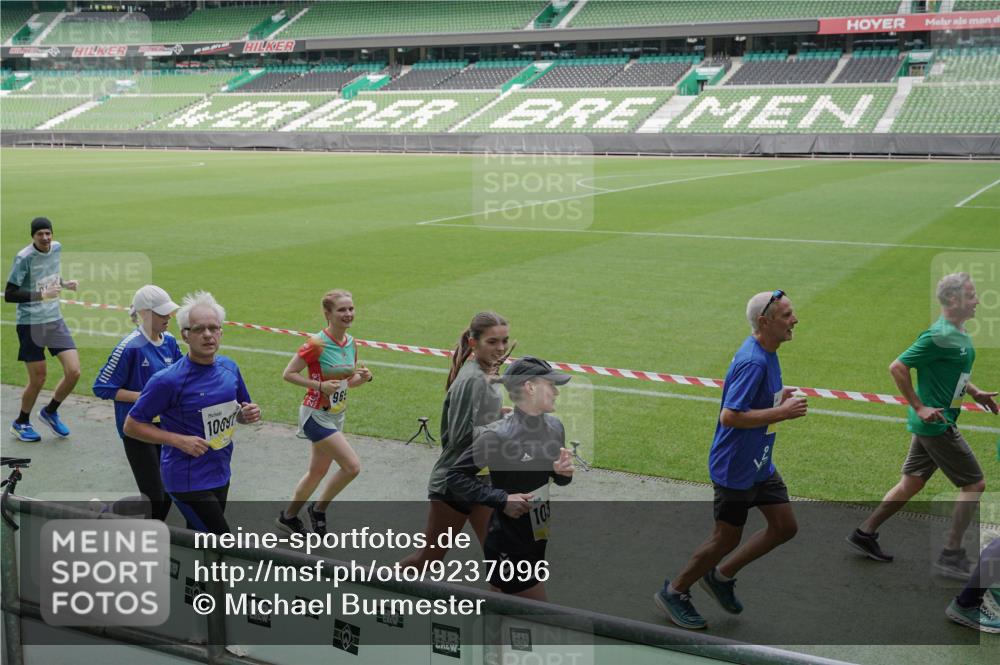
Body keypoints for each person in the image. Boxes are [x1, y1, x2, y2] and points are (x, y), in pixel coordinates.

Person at [655, 290, 807, 630]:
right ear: (765, 322)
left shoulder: (769, 351)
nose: (794, 320)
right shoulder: (753, 360)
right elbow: (730, 416)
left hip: (760, 462)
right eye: (787, 315)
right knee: (725, 538)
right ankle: (675, 591)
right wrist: (781, 412)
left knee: (785, 527)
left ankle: (721, 576)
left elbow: (751, 403)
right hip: (735, 467)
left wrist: (778, 398)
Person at [847, 273, 997, 579]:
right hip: (936, 425)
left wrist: (974, 392)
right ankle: (951, 554)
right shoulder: (937, 336)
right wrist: (919, 406)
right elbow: (897, 366)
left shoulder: (957, 332)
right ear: (953, 301)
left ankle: (865, 532)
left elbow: (954, 371)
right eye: (971, 296)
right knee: (974, 484)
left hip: (934, 423)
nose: (977, 300)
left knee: (911, 483)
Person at [124, 291, 261, 534]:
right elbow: (132, 425)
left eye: (213, 328)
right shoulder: (167, 381)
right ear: (185, 335)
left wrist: (245, 415)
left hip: (220, 470)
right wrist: (177, 440)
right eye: (199, 329)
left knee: (201, 542)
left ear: (221, 332)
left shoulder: (230, 368)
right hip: (186, 478)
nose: (207, 334)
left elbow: (239, 409)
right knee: (221, 542)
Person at [447, 356, 574, 601]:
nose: (556, 392)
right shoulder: (498, 436)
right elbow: (456, 476)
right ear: (530, 387)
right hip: (508, 541)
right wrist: (502, 499)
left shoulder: (555, 427)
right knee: (539, 611)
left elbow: (555, 478)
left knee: (499, 604)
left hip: (538, 533)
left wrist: (560, 474)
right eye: (551, 385)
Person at [400, 312, 510, 570]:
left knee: (499, 557)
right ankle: (378, 595)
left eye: (504, 341)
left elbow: (478, 421)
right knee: (428, 558)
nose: (501, 348)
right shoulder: (473, 379)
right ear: (474, 343)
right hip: (455, 483)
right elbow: (461, 437)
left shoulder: (486, 372)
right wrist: (506, 431)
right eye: (492, 342)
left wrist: (500, 416)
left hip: (478, 480)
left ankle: (501, 608)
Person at [275, 290, 372, 536]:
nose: (348, 314)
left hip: (336, 415)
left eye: (351, 308)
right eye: (342, 310)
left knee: (317, 472)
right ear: (327, 313)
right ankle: (318, 509)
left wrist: (362, 378)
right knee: (352, 467)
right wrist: (318, 385)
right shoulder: (315, 343)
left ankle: (288, 517)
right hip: (315, 415)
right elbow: (288, 373)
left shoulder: (351, 343)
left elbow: (345, 383)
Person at [92, 285, 182, 521]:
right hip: (137, 430)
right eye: (162, 313)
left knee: (168, 491)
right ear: (144, 313)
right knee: (154, 496)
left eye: (169, 312)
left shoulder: (170, 341)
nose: (168, 318)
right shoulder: (129, 347)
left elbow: (182, 375)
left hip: (165, 427)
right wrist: (144, 397)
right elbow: (102, 387)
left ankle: (110, 513)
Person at [5, 217, 81, 442]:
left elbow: (49, 275)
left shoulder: (56, 248)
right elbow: (10, 294)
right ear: (33, 236)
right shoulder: (24, 258)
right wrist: (41, 295)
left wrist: (65, 283)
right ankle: (21, 422)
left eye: (48, 233)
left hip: (54, 319)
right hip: (30, 323)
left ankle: (50, 411)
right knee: (39, 378)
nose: (46, 238)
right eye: (40, 234)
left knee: (74, 371)